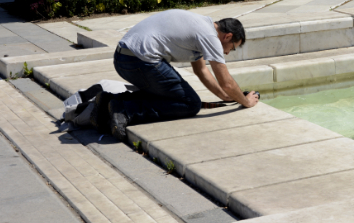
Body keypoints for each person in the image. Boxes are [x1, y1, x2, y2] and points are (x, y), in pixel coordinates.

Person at [90, 10, 259, 142]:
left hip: (122, 58)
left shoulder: (200, 25)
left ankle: (107, 102)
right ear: (227, 36)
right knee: (190, 104)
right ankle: (124, 110)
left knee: (168, 94)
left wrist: (225, 97)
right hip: (139, 61)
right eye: (232, 47)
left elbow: (201, 71)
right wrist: (245, 101)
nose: (228, 52)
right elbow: (226, 82)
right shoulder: (210, 36)